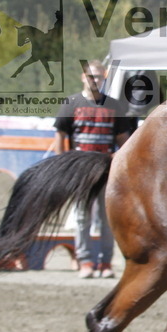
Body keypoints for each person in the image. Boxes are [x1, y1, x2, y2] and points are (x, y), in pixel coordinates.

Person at [53, 60, 137, 279]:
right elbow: (60, 135)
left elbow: (123, 140)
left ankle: (105, 262)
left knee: (107, 218)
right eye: (91, 76)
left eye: (98, 77)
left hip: (106, 170)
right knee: (82, 217)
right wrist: (63, 166)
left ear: (104, 79)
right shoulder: (71, 103)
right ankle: (85, 261)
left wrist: (122, 164)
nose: (94, 80)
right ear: (83, 77)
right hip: (80, 171)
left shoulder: (114, 106)